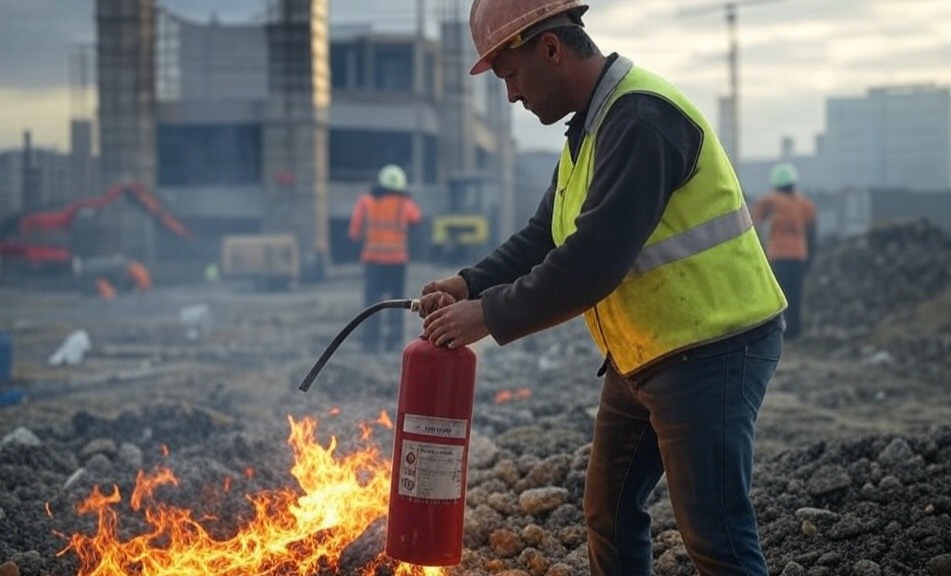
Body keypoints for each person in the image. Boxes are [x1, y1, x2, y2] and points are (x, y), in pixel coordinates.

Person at [417, 1, 787, 574]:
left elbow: (591, 264)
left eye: (510, 75)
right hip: (646, 352)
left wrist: (485, 316)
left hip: (712, 347)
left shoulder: (639, 121)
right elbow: (545, 236)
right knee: (608, 514)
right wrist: (469, 285)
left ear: (550, 48)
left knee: (715, 534)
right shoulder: (591, 127)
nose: (512, 96)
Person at [349, 164, 422, 353]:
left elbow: (354, 231)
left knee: (372, 302)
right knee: (397, 304)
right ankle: (394, 342)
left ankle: (370, 344)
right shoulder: (404, 203)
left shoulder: (366, 201)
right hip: (398, 261)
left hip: (373, 260)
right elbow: (416, 218)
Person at [751, 162, 817, 340]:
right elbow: (812, 234)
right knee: (796, 295)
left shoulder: (771, 201)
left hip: (778, 255)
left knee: (778, 296)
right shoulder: (805, 204)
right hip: (798, 256)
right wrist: (810, 259)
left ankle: (779, 331)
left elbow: (754, 218)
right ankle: (795, 331)